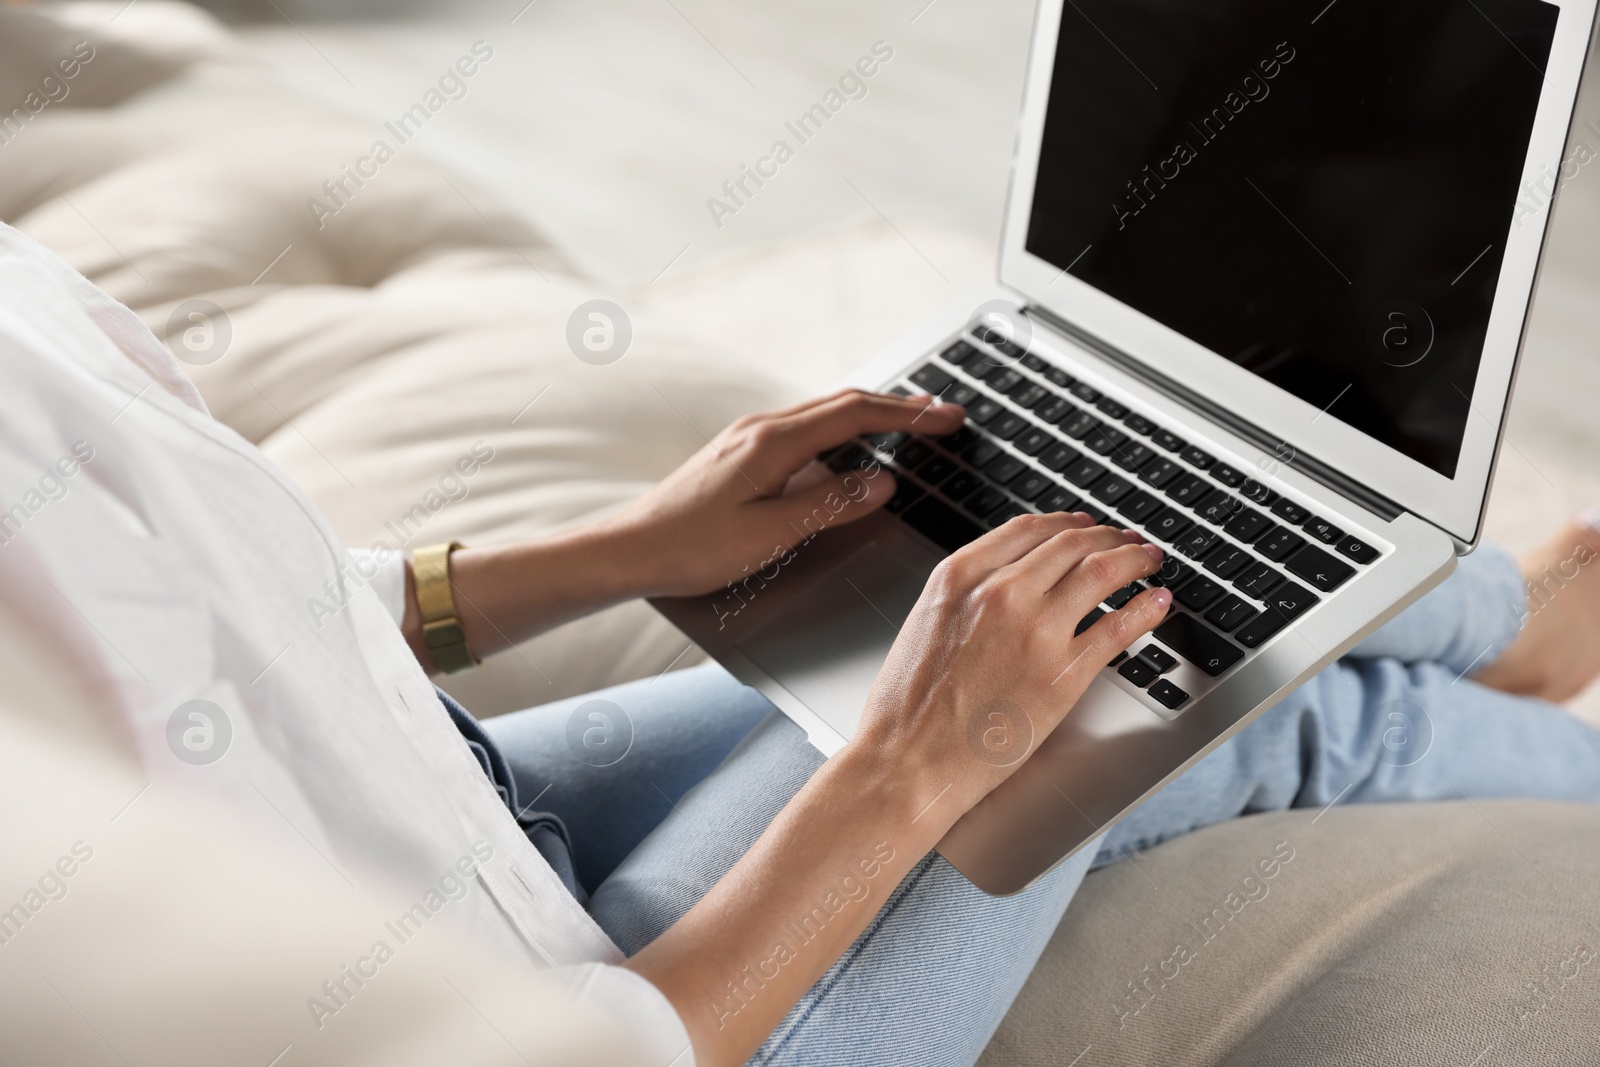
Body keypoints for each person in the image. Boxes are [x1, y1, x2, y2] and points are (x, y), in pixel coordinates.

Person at [5, 218, 1600, 1067]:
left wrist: (627, 547)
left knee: (1054, 609)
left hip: (454, 819)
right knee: (1174, 699)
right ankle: (1507, 662)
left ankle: (1468, 620)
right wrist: (910, 769)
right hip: (610, 1018)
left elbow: (210, 627)